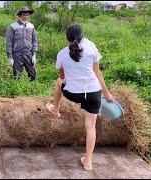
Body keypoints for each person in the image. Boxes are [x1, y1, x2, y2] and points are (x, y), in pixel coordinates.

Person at [45, 24, 114, 171]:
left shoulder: (62, 54)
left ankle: (55, 110)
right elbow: (98, 73)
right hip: (93, 93)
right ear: (82, 36)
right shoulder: (91, 46)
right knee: (90, 127)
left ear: (66, 38)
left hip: (73, 94)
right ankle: (88, 162)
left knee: (58, 83)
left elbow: (62, 76)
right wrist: (107, 94)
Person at [5, 7, 38, 81]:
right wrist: (10, 57)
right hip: (17, 54)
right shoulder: (12, 27)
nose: (25, 17)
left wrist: (34, 55)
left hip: (28, 54)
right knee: (16, 76)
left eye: (27, 15)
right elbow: (8, 43)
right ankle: (16, 91)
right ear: (19, 16)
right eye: (23, 15)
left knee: (33, 75)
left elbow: (34, 41)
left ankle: (32, 90)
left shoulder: (31, 26)